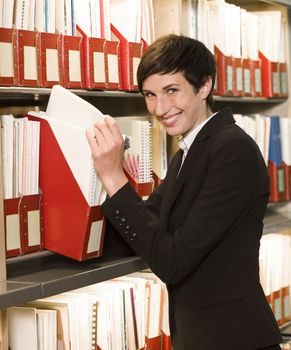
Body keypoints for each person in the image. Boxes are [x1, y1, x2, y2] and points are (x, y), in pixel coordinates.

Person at [86, 34, 281, 350]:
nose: (159, 108)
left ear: (204, 86)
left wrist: (112, 175)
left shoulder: (232, 150)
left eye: (171, 91)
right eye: (150, 94)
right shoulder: (188, 153)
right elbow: (137, 235)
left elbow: (172, 262)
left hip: (234, 341)